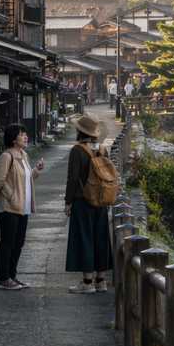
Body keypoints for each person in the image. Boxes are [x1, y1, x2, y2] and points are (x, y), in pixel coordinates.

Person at [0, 124, 45, 290]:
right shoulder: (7, 156)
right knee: (7, 242)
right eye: (22, 135)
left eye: (25, 134)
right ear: (13, 139)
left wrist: (36, 170)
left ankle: (12, 276)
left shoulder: (24, 155)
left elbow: (25, 180)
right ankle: (4, 278)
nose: (26, 137)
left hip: (23, 207)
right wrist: (11, 196)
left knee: (18, 242)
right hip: (9, 207)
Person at [65, 114, 114, 293]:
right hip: (101, 200)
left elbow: (72, 179)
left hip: (83, 201)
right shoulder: (102, 149)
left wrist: (68, 202)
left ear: (80, 131)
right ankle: (101, 281)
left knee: (84, 238)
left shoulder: (77, 150)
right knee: (100, 238)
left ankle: (87, 283)